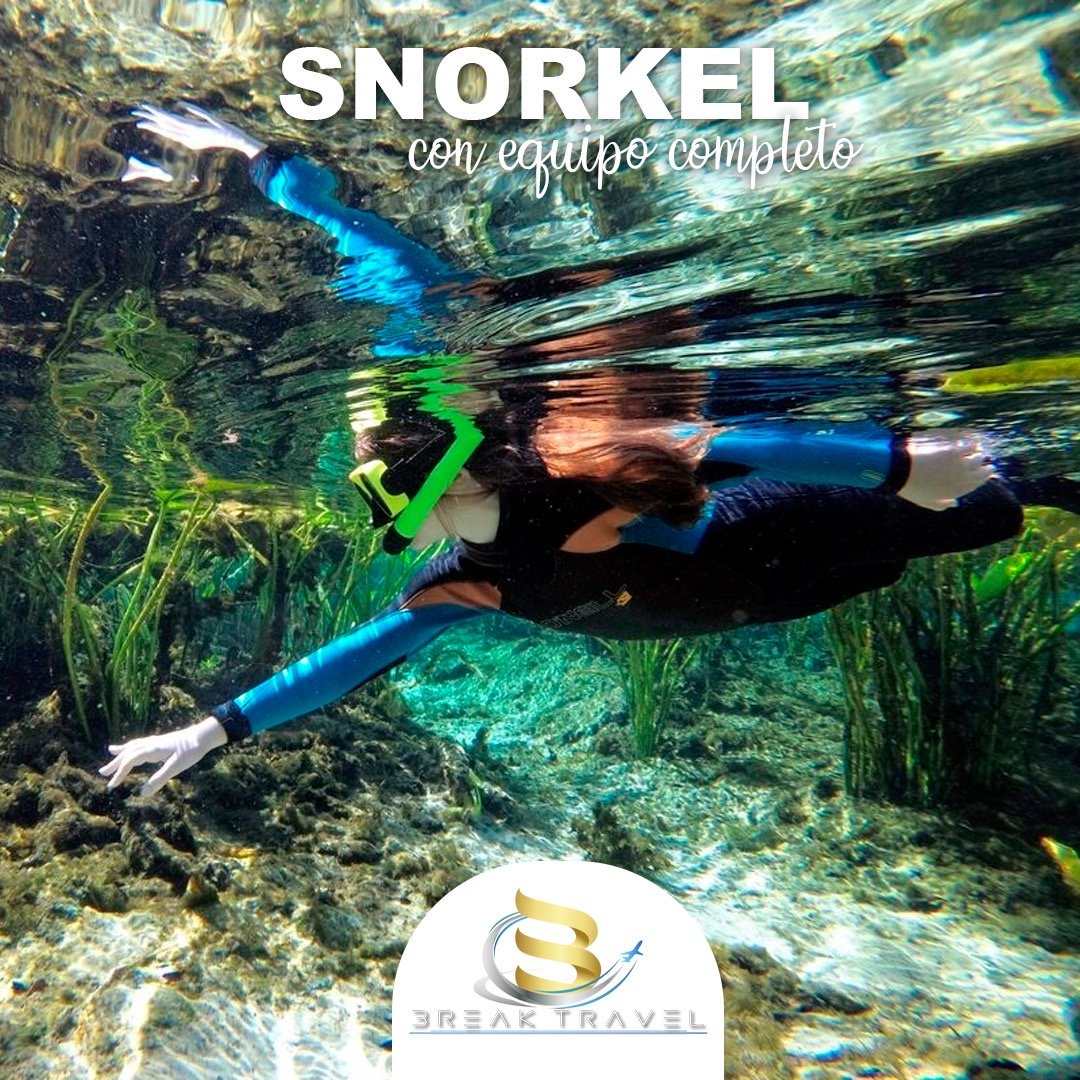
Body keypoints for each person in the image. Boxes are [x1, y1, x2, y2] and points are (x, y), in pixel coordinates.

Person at [99, 104, 1077, 796]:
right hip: (764, 597)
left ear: (441, 472)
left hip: (776, 531)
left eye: (380, 478)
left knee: (993, 510)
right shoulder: (461, 581)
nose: (371, 502)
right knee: (902, 559)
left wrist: (900, 464)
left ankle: (1044, 477)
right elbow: (343, 661)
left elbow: (726, 440)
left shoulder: (565, 478)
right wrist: (213, 729)